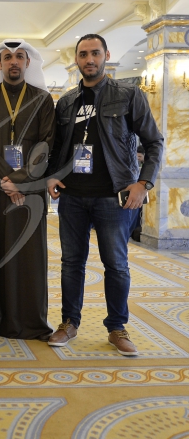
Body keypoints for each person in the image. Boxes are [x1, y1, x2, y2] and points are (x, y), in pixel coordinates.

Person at [47, 33, 163, 356]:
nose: (89, 60)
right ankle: (69, 322)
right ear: (76, 59)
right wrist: (52, 174)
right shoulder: (67, 101)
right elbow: (58, 146)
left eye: (95, 53)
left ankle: (117, 327)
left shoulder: (128, 95)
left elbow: (154, 142)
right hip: (72, 197)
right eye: (83, 54)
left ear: (106, 55)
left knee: (116, 264)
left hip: (114, 197)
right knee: (71, 263)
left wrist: (144, 183)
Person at [0, 39, 56, 341]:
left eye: (19, 56)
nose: (14, 62)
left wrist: (20, 180)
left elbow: (46, 143)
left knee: (28, 253)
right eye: (7, 57)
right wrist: (7, 179)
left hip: (30, 190)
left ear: (28, 63)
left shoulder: (43, 99)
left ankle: (28, 322)